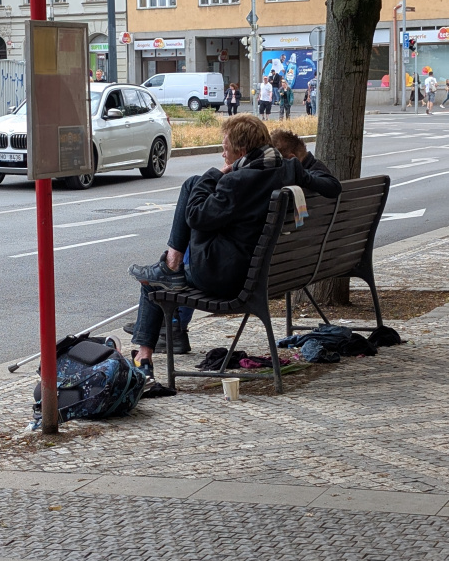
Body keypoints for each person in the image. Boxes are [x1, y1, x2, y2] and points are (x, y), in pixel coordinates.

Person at [126, 115, 341, 379]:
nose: (222, 153)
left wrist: (215, 174)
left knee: (152, 281)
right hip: (265, 274)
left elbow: (195, 216)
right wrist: (300, 172)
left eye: (225, 147)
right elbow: (332, 186)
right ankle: (169, 268)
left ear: (241, 151)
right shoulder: (286, 169)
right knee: (192, 187)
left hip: (224, 278)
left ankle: (144, 357)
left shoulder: (235, 182)